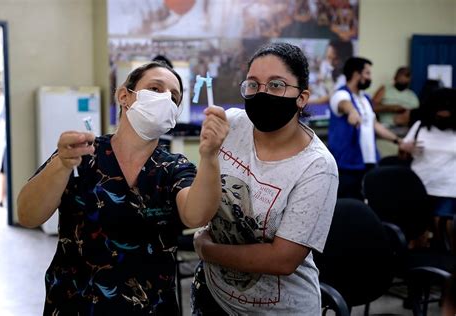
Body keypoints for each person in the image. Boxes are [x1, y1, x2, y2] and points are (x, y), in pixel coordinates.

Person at [17, 61, 229, 315]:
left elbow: (196, 214)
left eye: (173, 97)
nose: (164, 100)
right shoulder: (82, 156)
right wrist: (61, 164)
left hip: (150, 306)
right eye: (155, 88)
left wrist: (210, 156)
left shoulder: (173, 168)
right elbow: (28, 215)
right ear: (124, 96)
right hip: (76, 303)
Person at [191, 42, 339, 315]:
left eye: (276, 85)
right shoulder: (232, 125)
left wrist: (207, 251)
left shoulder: (317, 166)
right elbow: (203, 204)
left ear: (302, 97)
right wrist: (208, 154)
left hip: (278, 309)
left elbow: (282, 260)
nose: (262, 93)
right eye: (253, 84)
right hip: (214, 295)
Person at [328, 57, 401, 199]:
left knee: (366, 202)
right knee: (347, 205)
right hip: (347, 165)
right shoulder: (340, 94)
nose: (370, 77)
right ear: (356, 74)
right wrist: (352, 112)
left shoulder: (365, 98)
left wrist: (399, 141)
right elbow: (344, 104)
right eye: (367, 73)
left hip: (369, 162)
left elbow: (375, 125)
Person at [399, 88, 456, 251]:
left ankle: (446, 269)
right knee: (417, 236)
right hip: (420, 188)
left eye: (447, 115)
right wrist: (406, 148)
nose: (443, 118)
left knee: (443, 234)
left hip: (448, 190)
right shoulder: (420, 127)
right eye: (440, 115)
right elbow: (402, 153)